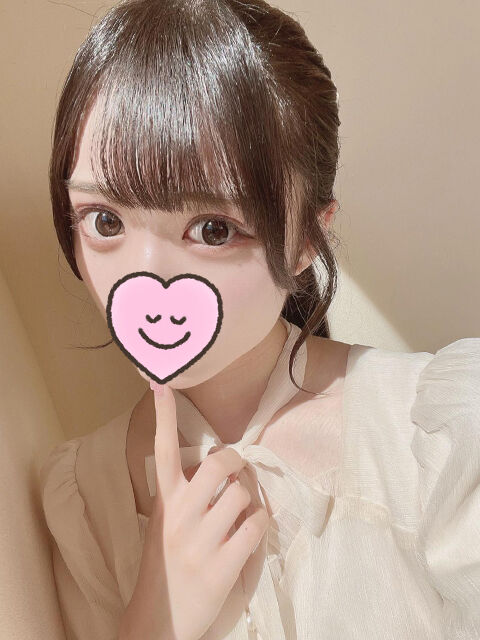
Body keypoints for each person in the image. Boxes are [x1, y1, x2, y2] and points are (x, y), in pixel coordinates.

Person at [39, 0, 480, 638]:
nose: (146, 279)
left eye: (212, 229)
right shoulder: (83, 498)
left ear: (306, 239)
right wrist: (152, 622)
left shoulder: (433, 439)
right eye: (105, 221)